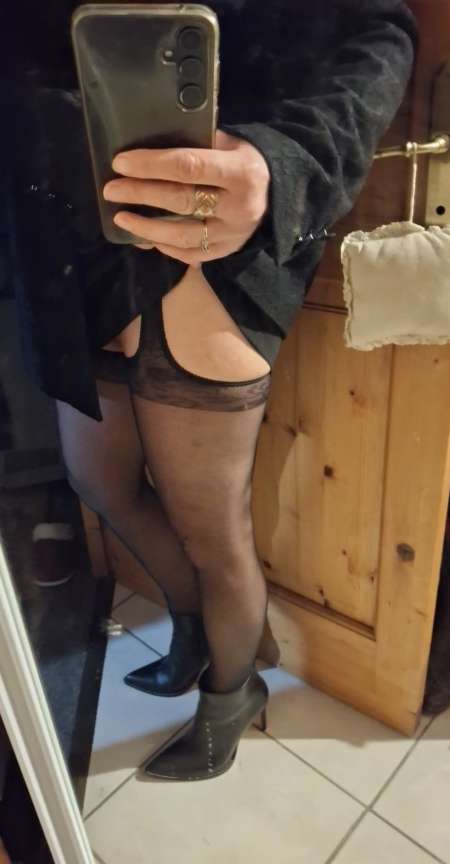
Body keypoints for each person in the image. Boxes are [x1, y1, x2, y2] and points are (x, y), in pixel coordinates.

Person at [2, 0, 417, 781]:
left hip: (208, 247)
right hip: (63, 242)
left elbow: (378, 30)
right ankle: (194, 631)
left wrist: (282, 163)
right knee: (99, 481)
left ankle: (232, 692)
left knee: (214, 529)